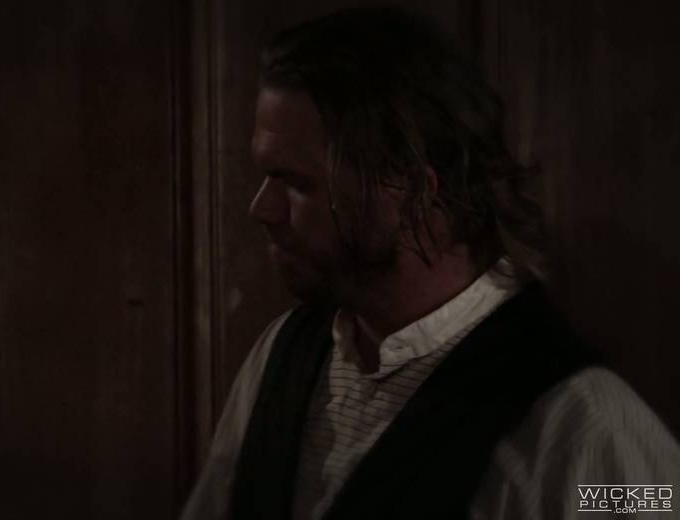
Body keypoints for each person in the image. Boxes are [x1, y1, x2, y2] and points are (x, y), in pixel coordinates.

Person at [181, 6, 680, 520]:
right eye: (267, 176)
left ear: (413, 189)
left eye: (298, 184)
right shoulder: (281, 358)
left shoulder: (583, 428)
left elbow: (655, 502)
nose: (261, 208)